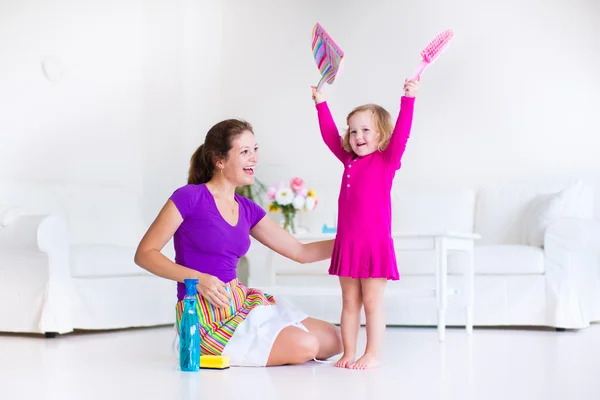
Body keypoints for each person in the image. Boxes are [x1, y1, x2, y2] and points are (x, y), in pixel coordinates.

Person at [134, 119, 342, 367]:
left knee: (334, 339)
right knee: (306, 345)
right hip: (206, 313)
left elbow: (301, 251)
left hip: (239, 300)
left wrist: (356, 241)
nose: (253, 158)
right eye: (244, 152)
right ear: (219, 160)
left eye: (255, 149)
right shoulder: (189, 197)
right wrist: (197, 278)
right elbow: (145, 253)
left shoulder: (247, 209)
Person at [311, 78, 420, 369]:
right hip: (348, 243)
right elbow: (329, 135)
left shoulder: (387, 160)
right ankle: (349, 352)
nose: (358, 136)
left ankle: (372, 354)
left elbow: (403, 135)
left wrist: (408, 99)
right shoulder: (348, 160)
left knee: (371, 303)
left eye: (366, 130)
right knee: (349, 303)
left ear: (382, 135)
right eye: (353, 130)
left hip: (374, 244)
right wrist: (321, 103)